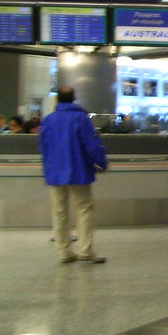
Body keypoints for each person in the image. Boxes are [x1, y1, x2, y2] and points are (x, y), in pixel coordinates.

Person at [38, 86, 109, 264]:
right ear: (74, 98)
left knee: (59, 212)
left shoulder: (48, 120)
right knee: (84, 209)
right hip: (78, 171)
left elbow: (43, 147)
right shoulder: (80, 118)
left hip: (55, 172)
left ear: (57, 99)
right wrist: (102, 162)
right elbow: (91, 144)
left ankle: (64, 252)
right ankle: (85, 250)